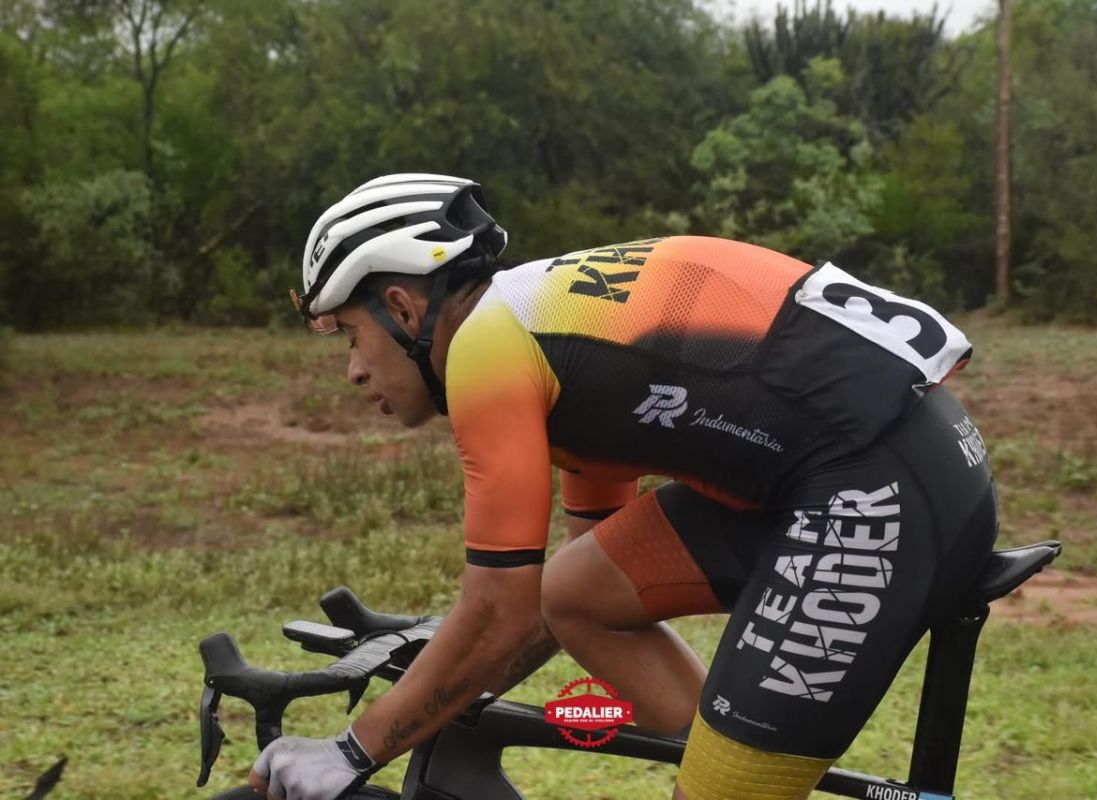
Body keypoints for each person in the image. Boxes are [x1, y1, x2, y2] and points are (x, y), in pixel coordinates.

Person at [251, 173, 997, 800]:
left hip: (876, 491)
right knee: (579, 590)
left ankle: (746, 759)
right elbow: (578, 591)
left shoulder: (486, 352)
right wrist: (441, 673)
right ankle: (745, 745)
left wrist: (352, 750)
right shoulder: (559, 348)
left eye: (351, 335)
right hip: (866, 466)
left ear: (404, 309)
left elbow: (498, 614)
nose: (353, 370)